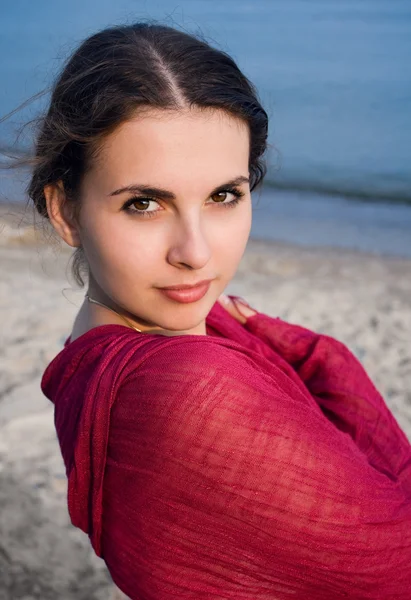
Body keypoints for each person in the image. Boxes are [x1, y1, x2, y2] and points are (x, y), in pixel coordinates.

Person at [21, 21, 411, 599]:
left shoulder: (102, 349)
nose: (196, 253)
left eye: (224, 195)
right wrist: (325, 358)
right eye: (145, 203)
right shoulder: (189, 389)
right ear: (66, 212)